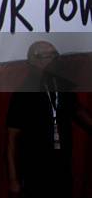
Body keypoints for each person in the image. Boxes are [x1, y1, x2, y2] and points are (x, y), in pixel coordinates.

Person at [6, 41, 92, 198]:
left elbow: (77, 109)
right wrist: (14, 180)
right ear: (34, 61)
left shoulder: (61, 83)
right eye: (49, 55)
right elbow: (12, 139)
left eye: (55, 54)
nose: (55, 59)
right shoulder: (23, 94)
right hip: (35, 170)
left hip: (62, 165)